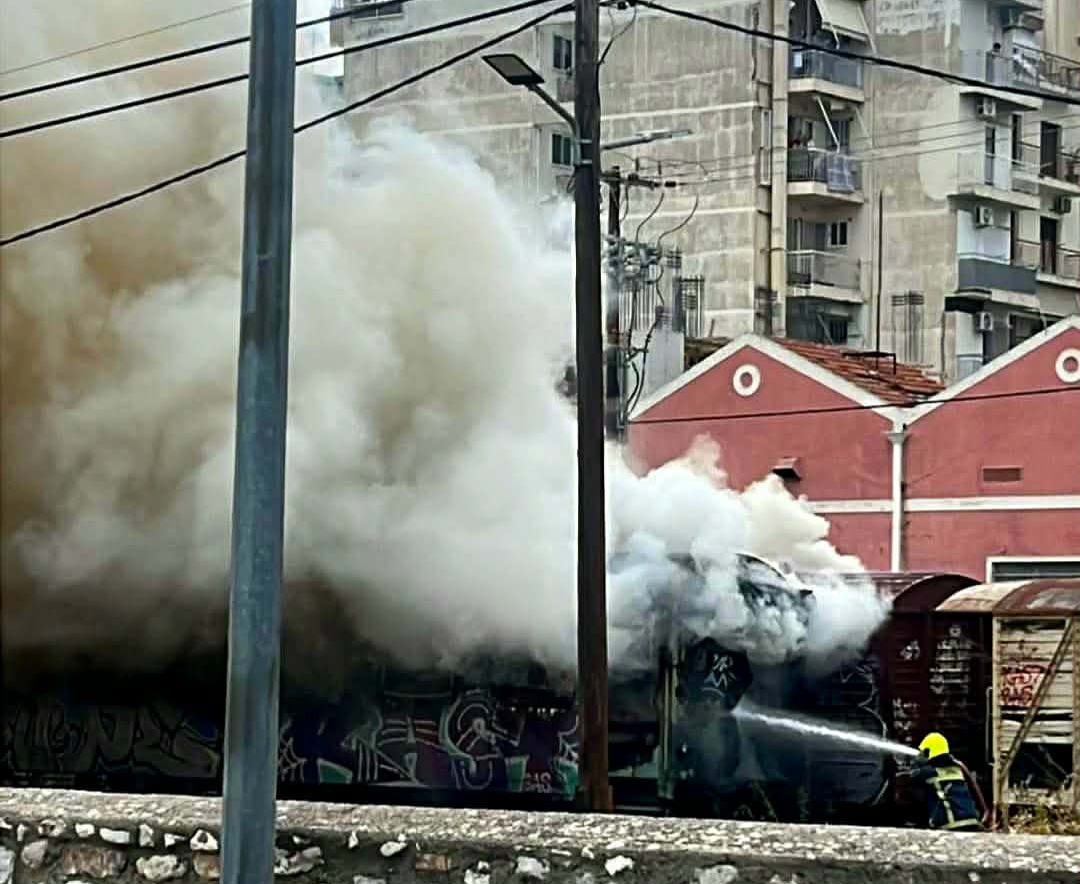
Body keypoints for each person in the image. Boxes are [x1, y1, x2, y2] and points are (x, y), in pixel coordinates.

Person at [908, 732, 988, 832]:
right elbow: (974, 787)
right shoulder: (958, 769)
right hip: (972, 821)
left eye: (923, 752)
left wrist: (915, 764)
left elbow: (911, 779)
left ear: (929, 752)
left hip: (951, 825)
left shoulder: (927, 772)